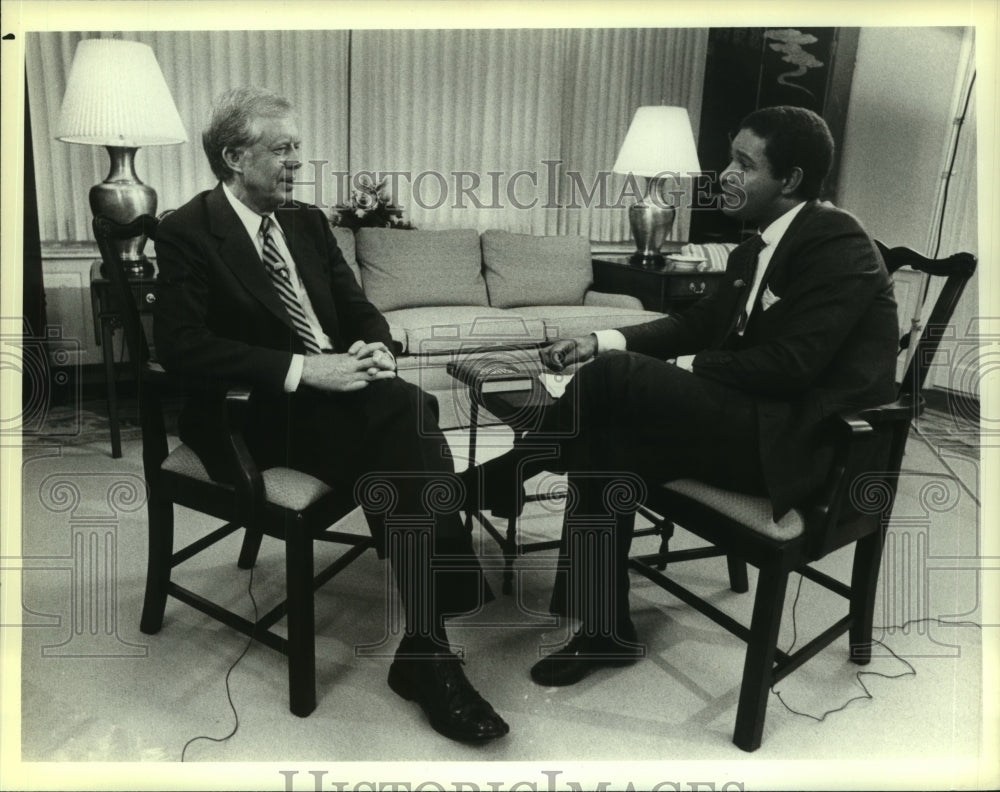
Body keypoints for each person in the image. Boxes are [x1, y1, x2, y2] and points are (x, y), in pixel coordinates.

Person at [468, 105, 899, 687]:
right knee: (606, 435)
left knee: (618, 380)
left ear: (790, 180)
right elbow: (697, 322)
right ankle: (604, 629)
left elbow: (792, 367)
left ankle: (512, 471)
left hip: (803, 445)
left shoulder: (837, 239)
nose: (725, 173)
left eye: (744, 164)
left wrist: (667, 365)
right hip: (752, 423)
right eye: (730, 157)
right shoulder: (752, 250)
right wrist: (600, 338)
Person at [153, 87, 508, 743]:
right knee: (410, 415)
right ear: (234, 156)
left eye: (298, 148)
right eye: (283, 148)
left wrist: (377, 342)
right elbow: (178, 347)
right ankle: (428, 649)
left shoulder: (306, 223)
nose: (297, 162)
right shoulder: (186, 231)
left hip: (334, 395)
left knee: (402, 418)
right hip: (253, 413)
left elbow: (357, 306)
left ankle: (427, 645)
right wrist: (302, 369)